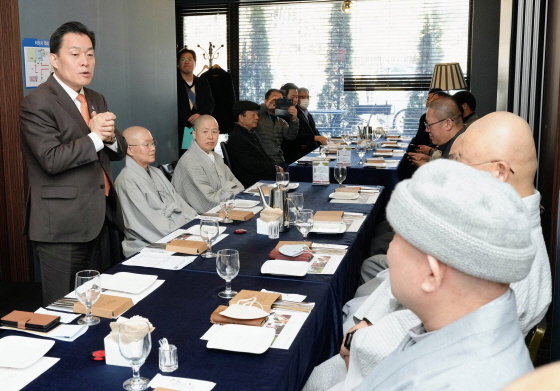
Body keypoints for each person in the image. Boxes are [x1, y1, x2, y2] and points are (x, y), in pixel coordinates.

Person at [304, 112, 552, 391]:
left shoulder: (503, 256)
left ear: (499, 172)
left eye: (459, 162)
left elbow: (407, 337)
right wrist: (366, 323)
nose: (451, 171)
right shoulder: (493, 224)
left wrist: (358, 341)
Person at [20, 21, 127, 305]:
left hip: (99, 218)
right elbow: (51, 159)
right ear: (54, 59)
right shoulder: (37, 102)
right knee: (62, 308)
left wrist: (110, 138)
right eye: (75, 54)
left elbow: (116, 149)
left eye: (90, 54)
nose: (85, 62)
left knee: (94, 305)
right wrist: (95, 136)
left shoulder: (95, 97)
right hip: (61, 225)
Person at [115, 126, 196, 257]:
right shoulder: (126, 181)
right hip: (148, 244)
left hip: (176, 232)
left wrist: (195, 225)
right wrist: (185, 233)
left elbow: (180, 204)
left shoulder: (156, 172)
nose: (152, 148)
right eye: (146, 144)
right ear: (129, 149)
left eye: (153, 143)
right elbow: (148, 224)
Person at [172, 115, 244, 214]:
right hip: (199, 220)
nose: (210, 136)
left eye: (214, 132)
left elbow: (240, 187)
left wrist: (225, 190)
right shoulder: (190, 161)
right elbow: (210, 203)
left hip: (224, 211)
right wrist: (230, 188)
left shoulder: (217, 157)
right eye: (205, 131)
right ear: (194, 134)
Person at [227, 101, 281, 188]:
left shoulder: (249, 132)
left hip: (264, 175)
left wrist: (275, 166)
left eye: (257, 114)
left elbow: (263, 157)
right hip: (254, 182)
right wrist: (275, 169)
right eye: (253, 115)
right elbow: (251, 166)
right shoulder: (237, 138)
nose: (257, 117)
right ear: (241, 117)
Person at [407, 94, 465, 167]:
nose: (426, 130)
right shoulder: (458, 141)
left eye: (429, 125)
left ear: (448, 124)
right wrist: (428, 159)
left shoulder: (460, 153)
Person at [398, 88, 442, 181]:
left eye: (433, 100)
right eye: (428, 99)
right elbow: (418, 138)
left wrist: (429, 153)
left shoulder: (441, 123)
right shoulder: (424, 117)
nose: (429, 102)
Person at [177, 48, 215, 155]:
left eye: (190, 59)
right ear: (178, 63)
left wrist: (199, 114)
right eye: (183, 59)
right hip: (183, 128)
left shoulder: (203, 82)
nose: (187, 62)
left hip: (202, 127)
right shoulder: (173, 83)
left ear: (195, 63)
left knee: (204, 156)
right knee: (186, 157)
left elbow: (210, 103)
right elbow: (170, 105)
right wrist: (188, 117)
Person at [280, 84, 328, 164]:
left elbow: (314, 133)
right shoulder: (282, 113)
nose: (295, 100)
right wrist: (311, 139)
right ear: (283, 97)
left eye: (296, 97)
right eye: (293, 97)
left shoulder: (301, 111)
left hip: (308, 153)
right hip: (292, 157)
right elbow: (290, 138)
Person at [254, 88, 299, 164]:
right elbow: (249, 116)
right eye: (274, 98)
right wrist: (265, 106)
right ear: (266, 100)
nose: (277, 101)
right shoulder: (257, 117)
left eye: (280, 100)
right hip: (263, 160)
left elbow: (290, 136)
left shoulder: (281, 121)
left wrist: (294, 119)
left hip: (279, 159)